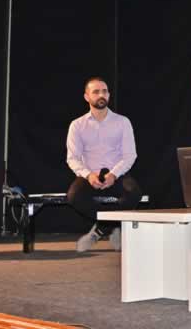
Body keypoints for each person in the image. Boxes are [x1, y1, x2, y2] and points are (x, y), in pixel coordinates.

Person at [66, 77, 142, 252]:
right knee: (74, 196)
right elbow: (72, 158)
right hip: (90, 175)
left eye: (105, 91)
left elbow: (130, 155)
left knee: (134, 193)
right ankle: (113, 225)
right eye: (96, 92)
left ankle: (100, 230)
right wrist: (88, 175)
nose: (101, 95)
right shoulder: (77, 125)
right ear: (86, 97)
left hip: (117, 173)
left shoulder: (122, 122)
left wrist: (114, 174)